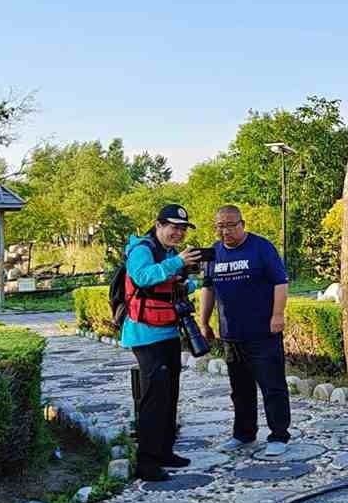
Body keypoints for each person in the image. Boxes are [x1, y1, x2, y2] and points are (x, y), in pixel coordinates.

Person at [117, 204, 206, 481]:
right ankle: (146, 462)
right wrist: (178, 261)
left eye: (182, 229)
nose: (178, 233)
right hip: (145, 334)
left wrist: (192, 281)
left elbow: (168, 287)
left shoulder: (168, 253)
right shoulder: (142, 249)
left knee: (169, 394)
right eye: (173, 227)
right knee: (154, 397)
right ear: (158, 225)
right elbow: (142, 277)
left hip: (168, 330)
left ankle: (165, 451)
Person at [196, 205, 293, 457]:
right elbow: (208, 288)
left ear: (242, 224)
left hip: (263, 332)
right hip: (231, 334)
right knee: (240, 390)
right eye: (220, 226)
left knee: (272, 386)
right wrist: (204, 322)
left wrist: (277, 315)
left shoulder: (261, 247)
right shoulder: (214, 252)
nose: (225, 231)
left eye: (231, 225)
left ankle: (279, 435)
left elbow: (280, 282)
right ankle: (243, 434)